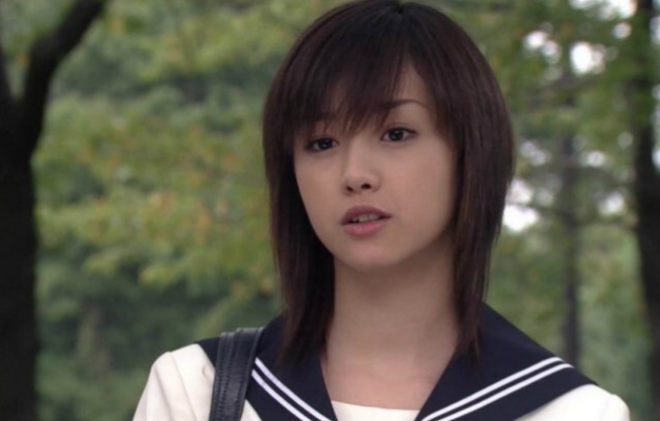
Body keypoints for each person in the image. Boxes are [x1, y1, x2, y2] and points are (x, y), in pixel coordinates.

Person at [132, 1, 631, 420]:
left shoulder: (572, 411)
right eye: (321, 142)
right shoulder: (198, 391)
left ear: (471, 153)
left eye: (396, 133)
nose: (355, 174)